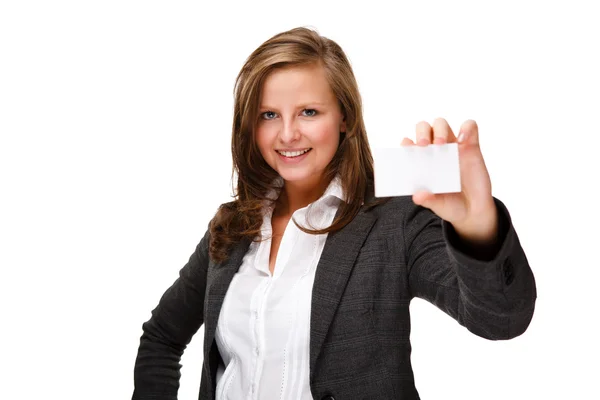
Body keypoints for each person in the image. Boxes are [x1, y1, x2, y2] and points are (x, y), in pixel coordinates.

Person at [132, 27, 537, 400]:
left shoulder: (395, 221)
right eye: (269, 114)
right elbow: (162, 337)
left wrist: (477, 224)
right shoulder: (232, 224)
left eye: (309, 112)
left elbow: (501, 320)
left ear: (344, 117)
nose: (287, 134)